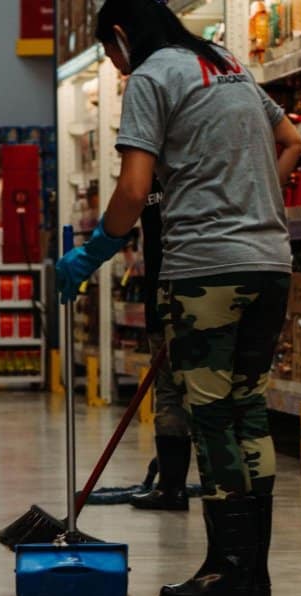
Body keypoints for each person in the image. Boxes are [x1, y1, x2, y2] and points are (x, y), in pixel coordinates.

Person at [56, 1, 301, 596]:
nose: (117, 70)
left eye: (112, 56)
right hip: (269, 264)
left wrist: (94, 252)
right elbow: (290, 139)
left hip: (207, 272)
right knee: (249, 415)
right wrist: (251, 196)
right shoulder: (226, 64)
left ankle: (226, 572)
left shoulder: (151, 76)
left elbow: (134, 188)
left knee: (212, 419)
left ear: (120, 37)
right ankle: (253, 573)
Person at [129, 180, 192, 512]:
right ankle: (222, 487)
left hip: (164, 293)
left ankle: (172, 487)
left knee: (169, 394)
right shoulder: (199, 163)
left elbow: (125, 208)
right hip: (207, 290)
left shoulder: (146, 173)